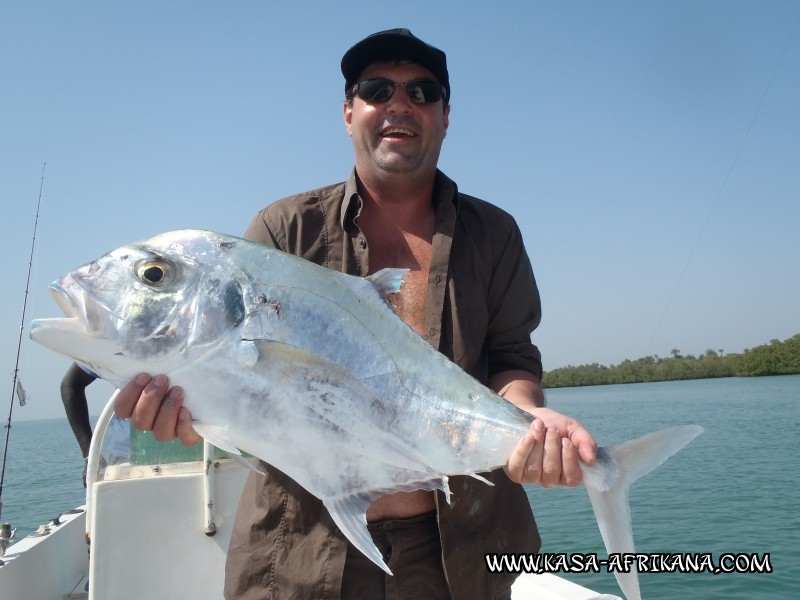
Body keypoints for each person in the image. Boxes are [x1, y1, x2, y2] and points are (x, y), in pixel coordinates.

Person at [114, 28, 598, 600]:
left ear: (446, 115)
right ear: (349, 113)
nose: (400, 104)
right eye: (377, 89)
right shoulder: (283, 231)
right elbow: (241, 386)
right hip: (300, 550)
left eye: (422, 92)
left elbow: (513, 359)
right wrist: (187, 413)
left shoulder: (493, 235)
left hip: (461, 553)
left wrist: (531, 426)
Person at [61, 362, 99, 486]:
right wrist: (90, 455)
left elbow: (70, 385)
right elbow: (70, 384)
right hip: (122, 457)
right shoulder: (118, 351)